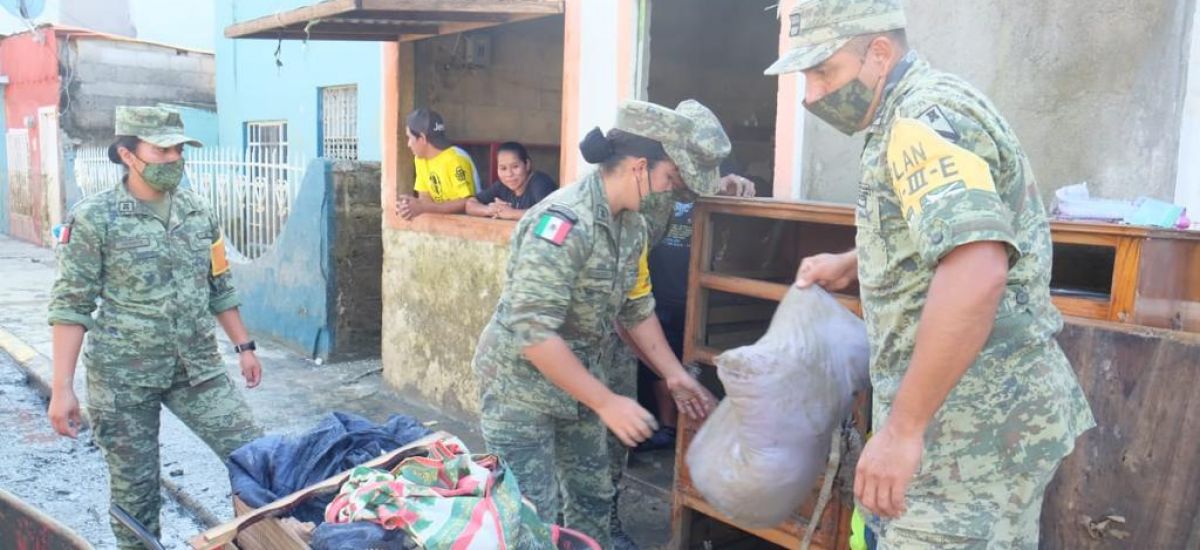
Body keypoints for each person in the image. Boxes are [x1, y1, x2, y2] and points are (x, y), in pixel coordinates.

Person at [766, 1, 1094, 547]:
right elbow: (942, 234)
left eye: (824, 72)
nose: (813, 94)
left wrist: (902, 431)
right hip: (961, 420)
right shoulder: (901, 114)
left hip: (969, 434)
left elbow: (977, 270)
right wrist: (854, 263)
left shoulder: (922, 120)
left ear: (879, 52)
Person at [471, 99, 730, 549]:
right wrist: (608, 402)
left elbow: (636, 308)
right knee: (531, 515)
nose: (669, 191)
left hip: (579, 382)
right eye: (670, 178)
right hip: (519, 388)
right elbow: (533, 333)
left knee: (593, 494)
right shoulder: (564, 223)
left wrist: (673, 376)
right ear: (639, 166)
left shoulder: (629, 227)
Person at [46, 106, 264, 550]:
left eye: (179, 148)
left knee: (256, 457)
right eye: (161, 149)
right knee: (136, 495)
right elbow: (72, 305)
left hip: (197, 370)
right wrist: (61, 387)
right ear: (127, 154)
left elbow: (218, 284)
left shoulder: (198, 212)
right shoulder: (95, 219)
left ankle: (265, 539)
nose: (173, 158)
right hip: (123, 378)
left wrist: (245, 346)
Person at [397, 108, 480, 220]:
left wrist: (422, 207)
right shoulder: (420, 159)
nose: (408, 144)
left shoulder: (456, 159)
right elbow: (425, 197)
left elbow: (466, 202)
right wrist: (409, 207)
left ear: (422, 138)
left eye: (409, 138)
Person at [466, 141, 557, 220]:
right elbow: (470, 204)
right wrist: (490, 210)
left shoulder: (539, 182)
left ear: (527, 165)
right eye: (503, 168)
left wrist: (512, 213)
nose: (509, 174)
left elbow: (549, 214)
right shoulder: (502, 186)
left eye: (515, 167)